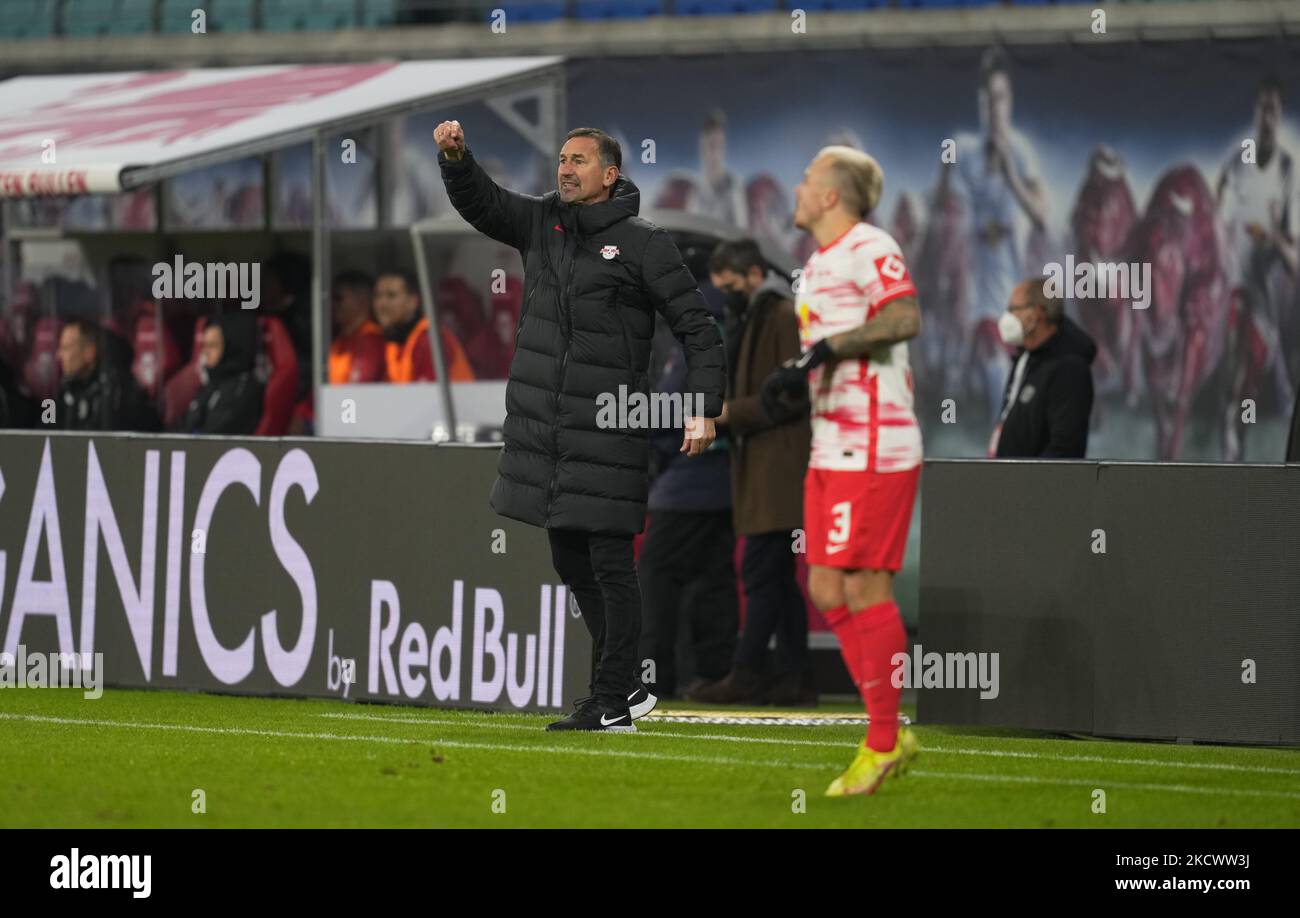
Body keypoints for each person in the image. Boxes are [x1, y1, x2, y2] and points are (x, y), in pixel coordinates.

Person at [437, 119, 725, 732]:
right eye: (561, 159)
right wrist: (458, 160)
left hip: (610, 430)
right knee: (571, 561)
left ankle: (611, 698)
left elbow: (699, 328)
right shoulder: (543, 222)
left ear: (610, 173)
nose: (565, 169)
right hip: (551, 435)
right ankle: (624, 683)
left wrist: (703, 405)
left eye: (579, 161)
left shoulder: (645, 243)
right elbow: (483, 204)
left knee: (609, 564)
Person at [762, 145, 921, 795]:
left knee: (864, 589)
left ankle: (883, 740)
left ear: (831, 196)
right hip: (831, 445)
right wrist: (799, 379)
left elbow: (904, 316)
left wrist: (829, 347)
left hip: (874, 443)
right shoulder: (818, 264)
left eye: (805, 180)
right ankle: (888, 730)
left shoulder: (869, 245)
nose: (796, 189)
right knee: (825, 591)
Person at [693, 238, 814, 706]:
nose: (726, 294)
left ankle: (746, 673)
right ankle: (796, 677)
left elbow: (791, 393)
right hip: (764, 463)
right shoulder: (758, 315)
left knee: (761, 572)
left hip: (778, 465)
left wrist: (727, 413)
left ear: (754, 273)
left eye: (730, 284)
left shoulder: (781, 316)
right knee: (779, 578)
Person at [638, 296, 738, 701]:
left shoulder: (690, 351)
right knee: (713, 580)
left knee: (655, 577)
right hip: (723, 485)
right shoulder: (729, 343)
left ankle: (653, 677)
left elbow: (665, 413)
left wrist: (651, 447)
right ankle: (713, 673)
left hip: (684, 486)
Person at [1217, 73, 1296, 460]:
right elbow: (1223, 185)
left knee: (1255, 368)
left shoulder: (1286, 168)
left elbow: (1292, 252)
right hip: (1237, 283)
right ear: (1255, 111)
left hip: (1267, 293)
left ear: (1279, 116)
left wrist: (1275, 237)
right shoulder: (1244, 157)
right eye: (1262, 107)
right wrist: (1222, 224)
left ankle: (1241, 430)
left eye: (1274, 109)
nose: (1267, 116)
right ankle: (1230, 430)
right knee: (1235, 353)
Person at [988, 277, 1096, 459]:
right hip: (1007, 482)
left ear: (1037, 314)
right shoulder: (1026, 358)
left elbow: (1066, 449)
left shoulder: (1070, 369)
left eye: (1012, 309)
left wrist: (1026, 483)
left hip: (1036, 485)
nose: (1006, 317)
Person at [373, 269, 475, 383]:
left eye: (391, 296)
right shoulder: (395, 341)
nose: (382, 304)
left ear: (413, 301)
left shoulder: (428, 339)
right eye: (378, 296)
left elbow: (428, 396)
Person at [56, 319, 156, 431]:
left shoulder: (116, 393)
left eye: (66, 348)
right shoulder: (68, 389)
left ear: (89, 351)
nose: (59, 355)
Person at [175, 312, 264, 435]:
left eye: (212, 346)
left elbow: (217, 435)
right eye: (204, 345)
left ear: (230, 347)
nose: (205, 352)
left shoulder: (242, 388)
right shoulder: (208, 386)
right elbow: (184, 426)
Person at [329, 270, 387, 383]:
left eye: (338, 298)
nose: (332, 304)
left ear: (362, 300)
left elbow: (359, 387)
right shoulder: (341, 339)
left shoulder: (371, 339)